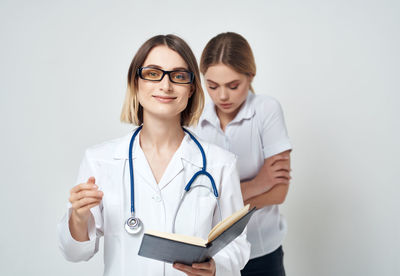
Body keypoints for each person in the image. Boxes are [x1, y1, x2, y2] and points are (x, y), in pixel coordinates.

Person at [57, 34, 250, 276]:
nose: (166, 85)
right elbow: (75, 253)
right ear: (135, 83)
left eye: (179, 76)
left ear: (191, 88)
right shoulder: (100, 161)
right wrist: (78, 216)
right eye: (152, 73)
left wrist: (215, 268)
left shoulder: (220, 164)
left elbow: (238, 247)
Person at [192, 32, 292, 276]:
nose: (222, 96)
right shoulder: (193, 119)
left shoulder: (266, 110)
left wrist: (220, 201)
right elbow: (194, 199)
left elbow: (279, 192)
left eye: (233, 85)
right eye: (212, 86)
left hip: (262, 252)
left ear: (250, 76)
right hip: (210, 256)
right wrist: (259, 183)